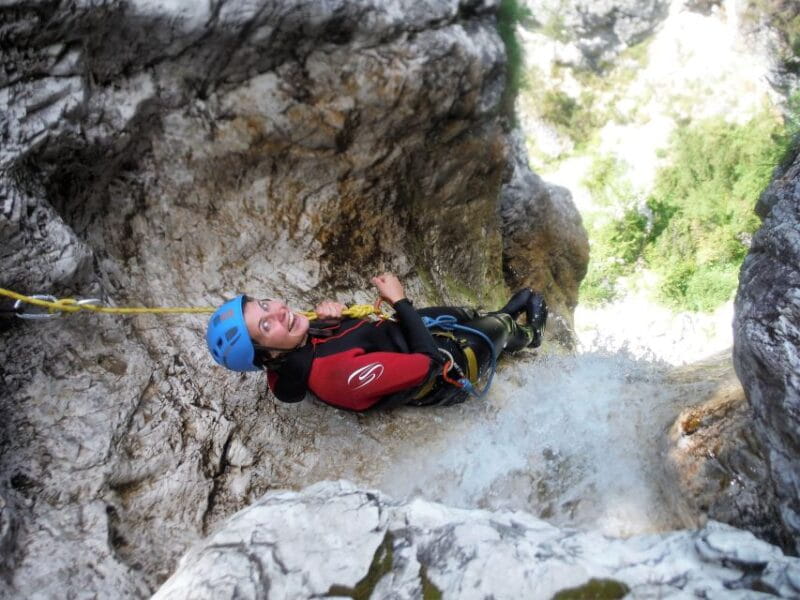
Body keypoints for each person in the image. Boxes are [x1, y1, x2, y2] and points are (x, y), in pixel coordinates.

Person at [206, 273, 547, 411]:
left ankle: (496, 320)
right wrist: (399, 300)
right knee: (502, 326)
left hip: (404, 335)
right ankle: (530, 335)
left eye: (266, 305)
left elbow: (346, 338)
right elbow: (428, 365)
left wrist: (335, 318)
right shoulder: (336, 376)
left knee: (465, 313)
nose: (279, 312)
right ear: (267, 355)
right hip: (445, 368)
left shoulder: (294, 344)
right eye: (265, 325)